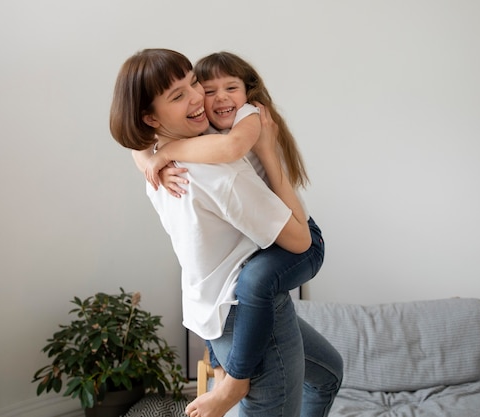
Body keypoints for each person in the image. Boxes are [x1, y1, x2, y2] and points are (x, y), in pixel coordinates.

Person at [110, 48, 342, 417]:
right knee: (258, 282)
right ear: (150, 117)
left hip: (213, 303)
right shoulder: (220, 171)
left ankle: (230, 381)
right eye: (178, 95)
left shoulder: (158, 153)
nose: (200, 97)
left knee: (328, 372)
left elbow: (138, 145)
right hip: (243, 305)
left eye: (192, 84)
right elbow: (301, 243)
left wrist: (158, 153)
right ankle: (232, 383)